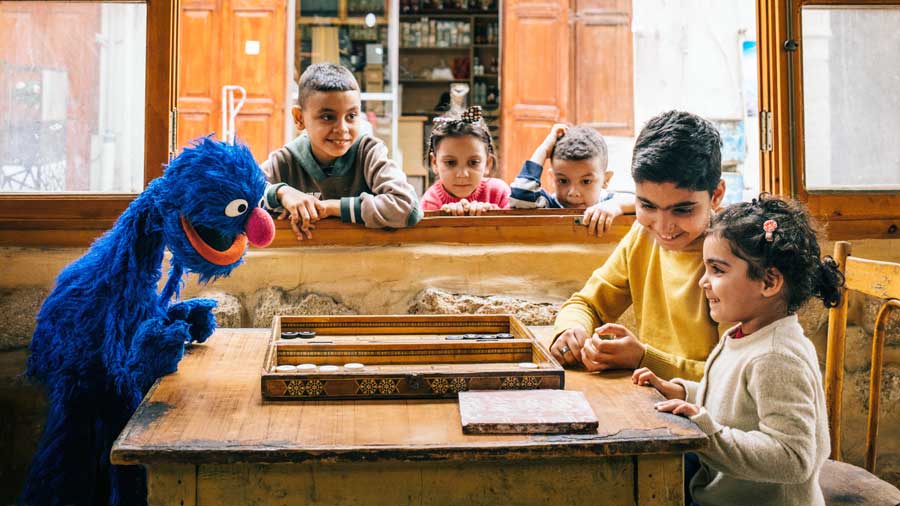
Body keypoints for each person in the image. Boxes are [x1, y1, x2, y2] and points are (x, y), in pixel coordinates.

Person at [632, 194, 843, 506]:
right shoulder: (746, 334)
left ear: (769, 281)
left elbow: (793, 457)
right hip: (720, 489)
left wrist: (709, 434)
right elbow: (735, 405)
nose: (703, 281)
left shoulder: (776, 356)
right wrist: (682, 393)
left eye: (717, 270)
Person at [552, 110, 729, 381]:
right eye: (647, 206)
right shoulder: (642, 237)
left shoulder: (737, 258)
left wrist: (643, 359)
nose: (663, 226)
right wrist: (571, 331)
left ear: (716, 196)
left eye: (682, 210)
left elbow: (735, 379)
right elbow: (587, 304)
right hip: (650, 403)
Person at [262, 63, 421, 240]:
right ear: (299, 118)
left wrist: (330, 207)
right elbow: (235, 197)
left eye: (351, 116)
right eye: (327, 117)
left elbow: (409, 207)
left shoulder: (368, 152)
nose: (342, 128)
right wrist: (281, 193)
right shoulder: (285, 160)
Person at [509, 123, 633, 236]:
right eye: (563, 181)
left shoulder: (608, 202)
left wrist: (616, 206)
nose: (573, 192)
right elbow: (521, 194)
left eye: (586, 181)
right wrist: (544, 150)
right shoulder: (548, 204)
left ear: (606, 180)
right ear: (552, 178)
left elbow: (643, 202)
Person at [420, 105, 510, 215]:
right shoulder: (431, 201)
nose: (462, 174)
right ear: (434, 163)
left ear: (487, 163)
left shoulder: (500, 193)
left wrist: (493, 215)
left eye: (473, 163)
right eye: (450, 163)